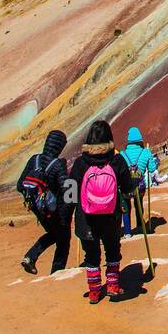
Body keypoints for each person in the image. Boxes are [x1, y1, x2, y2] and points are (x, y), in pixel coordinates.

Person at [68, 120, 137, 304]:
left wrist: (67, 214)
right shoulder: (116, 160)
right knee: (112, 250)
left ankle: (94, 292)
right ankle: (113, 286)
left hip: (86, 218)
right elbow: (128, 188)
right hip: (111, 216)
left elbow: (70, 193)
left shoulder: (80, 163)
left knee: (91, 255)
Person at [16, 129, 71, 275]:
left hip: (36, 208)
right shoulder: (58, 164)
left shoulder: (34, 159)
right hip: (53, 211)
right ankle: (57, 273)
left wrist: (37, 201)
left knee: (53, 234)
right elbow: (67, 190)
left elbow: (20, 185)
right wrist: (66, 214)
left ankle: (30, 257)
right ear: (59, 147)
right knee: (63, 240)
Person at [121, 127, 158, 237]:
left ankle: (127, 232)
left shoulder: (122, 154)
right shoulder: (146, 152)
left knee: (126, 207)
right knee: (139, 204)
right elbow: (152, 169)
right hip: (140, 186)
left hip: (126, 187)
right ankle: (140, 226)